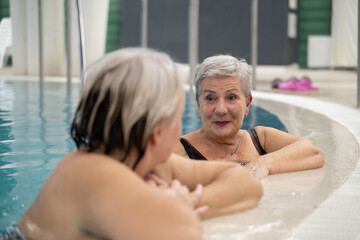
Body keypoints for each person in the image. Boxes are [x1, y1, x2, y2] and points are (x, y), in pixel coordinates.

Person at [18, 48, 263, 240]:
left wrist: (187, 202)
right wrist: (172, 209)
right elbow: (182, 233)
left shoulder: (154, 162)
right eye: (177, 117)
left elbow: (246, 183)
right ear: (158, 133)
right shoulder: (91, 173)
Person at [173, 54, 325, 179]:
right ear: (199, 106)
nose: (221, 109)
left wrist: (263, 163)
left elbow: (313, 152)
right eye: (210, 98)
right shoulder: (180, 150)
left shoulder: (261, 139)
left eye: (231, 97)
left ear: (247, 104)